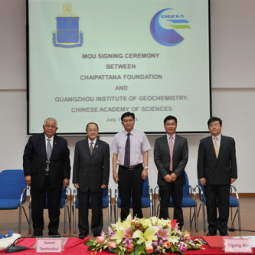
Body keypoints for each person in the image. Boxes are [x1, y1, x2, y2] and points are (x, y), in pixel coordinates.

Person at [23, 117, 70, 236]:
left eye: (52, 126)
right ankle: (38, 229)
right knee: (37, 206)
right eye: (48, 126)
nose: (50, 128)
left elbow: (66, 162)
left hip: (56, 178)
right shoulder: (34, 140)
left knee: (54, 206)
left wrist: (66, 177)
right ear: (43, 127)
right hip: (37, 178)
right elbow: (27, 158)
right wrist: (27, 174)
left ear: (56, 129)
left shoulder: (62, 142)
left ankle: (53, 230)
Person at [197, 116, 238, 236]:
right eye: (211, 125)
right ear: (208, 128)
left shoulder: (229, 140)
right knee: (210, 204)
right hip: (209, 178)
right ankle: (212, 228)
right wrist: (201, 176)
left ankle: (223, 228)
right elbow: (200, 161)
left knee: (224, 204)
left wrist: (234, 174)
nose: (214, 127)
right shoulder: (204, 142)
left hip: (224, 176)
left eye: (216, 124)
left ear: (221, 126)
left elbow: (233, 159)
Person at [73, 122, 110, 239]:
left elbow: (106, 165)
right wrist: (75, 180)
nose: (92, 132)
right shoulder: (79, 145)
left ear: (98, 131)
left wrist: (105, 181)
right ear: (86, 131)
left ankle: (97, 230)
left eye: (95, 130)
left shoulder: (104, 146)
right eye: (90, 130)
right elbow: (76, 164)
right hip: (83, 180)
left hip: (98, 181)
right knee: (83, 208)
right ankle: (83, 231)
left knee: (97, 208)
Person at [112, 112, 151, 221]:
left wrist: (145, 168)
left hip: (137, 170)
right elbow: (115, 155)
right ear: (122, 123)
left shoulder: (141, 135)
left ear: (134, 121)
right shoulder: (117, 136)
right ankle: (124, 226)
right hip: (123, 171)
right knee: (124, 200)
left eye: (130, 120)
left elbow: (145, 152)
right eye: (125, 121)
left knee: (137, 199)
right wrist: (114, 171)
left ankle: (138, 225)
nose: (128, 123)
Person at [154, 115, 188, 229]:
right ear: (164, 126)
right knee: (164, 204)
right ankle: (163, 226)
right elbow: (157, 159)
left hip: (178, 177)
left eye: (172, 124)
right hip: (164, 178)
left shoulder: (183, 141)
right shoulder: (158, 141)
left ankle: (178, 226)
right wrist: (165, 174)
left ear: (176, 126)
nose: (170, 126)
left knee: (178, 204)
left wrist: (175, 173)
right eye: (168, 124)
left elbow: (184, 159)